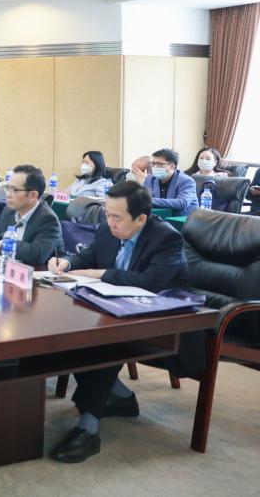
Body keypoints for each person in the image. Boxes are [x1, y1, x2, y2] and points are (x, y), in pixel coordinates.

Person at [45, 181, 191, 463]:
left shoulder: (166, 238)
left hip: (167, 322)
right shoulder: (107, 230)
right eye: (107, 214)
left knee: (103, 343)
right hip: (118, 311)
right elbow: (88, 256)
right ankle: (120, 397)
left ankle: (88, 429)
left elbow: (150, 282)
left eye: (117, 217)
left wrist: (100, 274)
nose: (109, 222)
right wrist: (67, 263)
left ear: (141, 219)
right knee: (73, 333)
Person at [0, 165, 63, 264]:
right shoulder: (9, 211)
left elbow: (37, 254)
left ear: (32, 195)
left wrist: (5, 244)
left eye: (14, 190)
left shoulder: (47, 219)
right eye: (7, 188)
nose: (8, 195)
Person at [131, 148, 198, 214]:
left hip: (182, 219)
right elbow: (141, 199)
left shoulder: (187, 181)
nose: (155, 167)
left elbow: (182, 203)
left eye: (159, 164)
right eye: (153, 163)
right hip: (159, 217)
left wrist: (148, 200)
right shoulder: (150, 179)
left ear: (172, 166)